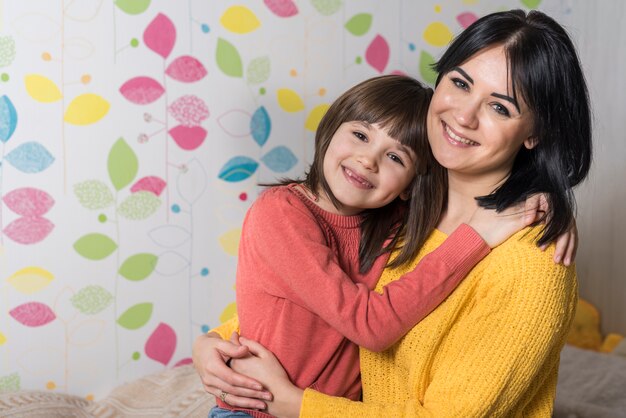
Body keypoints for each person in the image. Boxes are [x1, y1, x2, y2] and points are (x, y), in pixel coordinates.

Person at [195, 8, 590, 417]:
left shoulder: (531, 263)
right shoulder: (403, 210)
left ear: (536, 134)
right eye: (460, 83)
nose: (464, 116)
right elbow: (318, 303)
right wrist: (214, 344)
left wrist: (294, 403)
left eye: (500, 108)